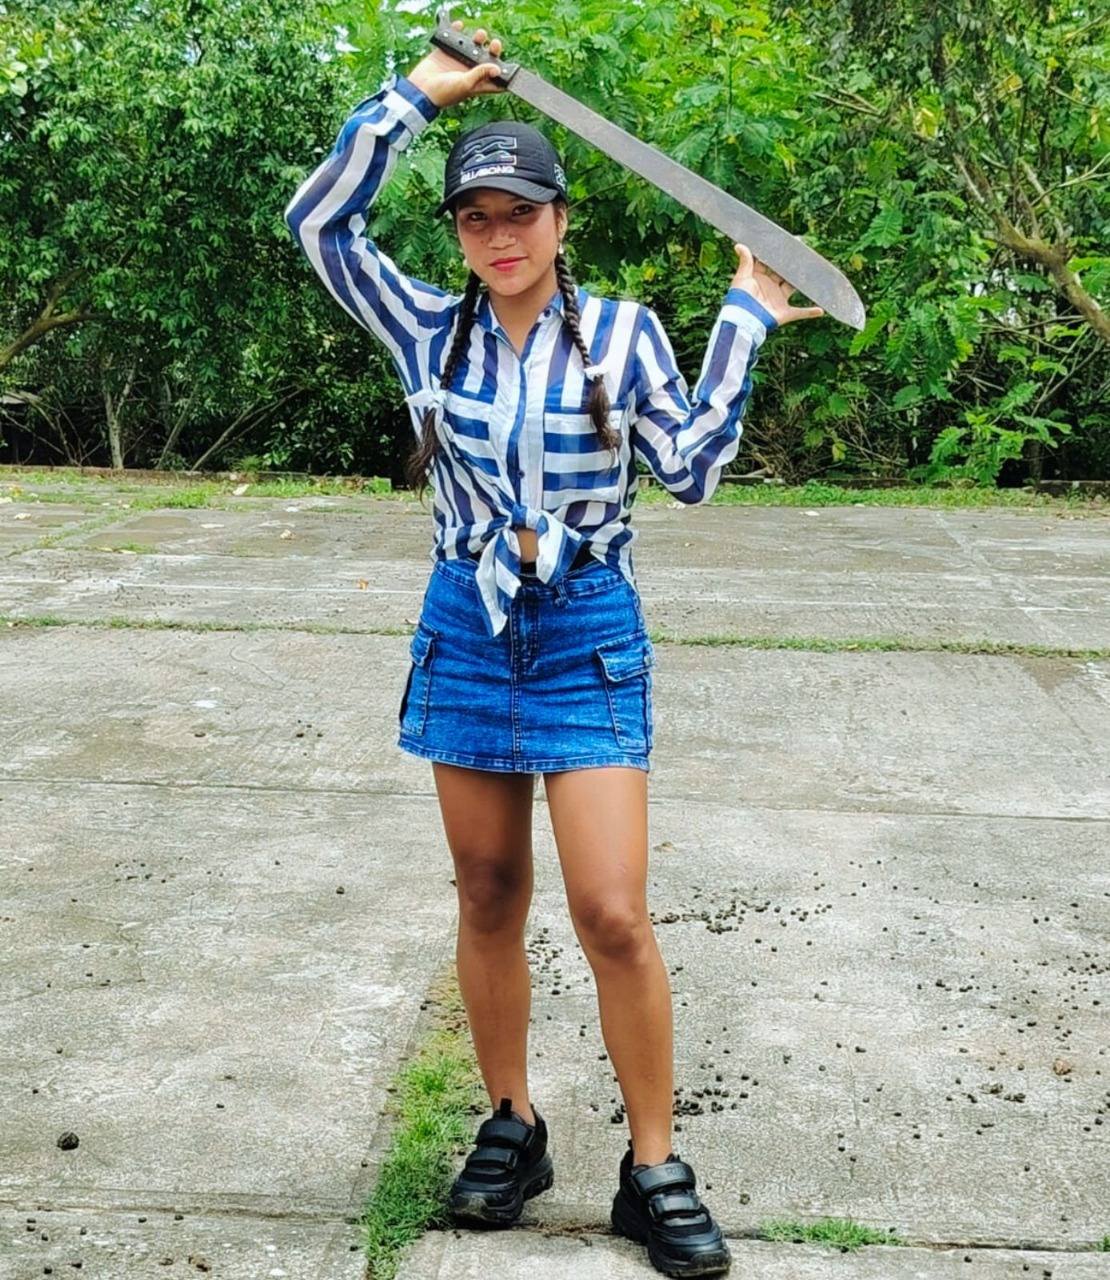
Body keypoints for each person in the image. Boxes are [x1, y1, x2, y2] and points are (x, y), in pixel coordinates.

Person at [284, 19, 822, 1279]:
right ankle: (512, 1124)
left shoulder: (626, 335)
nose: (499, 235)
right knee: (486, 890)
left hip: (585, 630)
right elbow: (319, 223)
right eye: (476, 218)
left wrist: (744, 319)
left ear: (562, 218)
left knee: (612, 910)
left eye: (520, 212)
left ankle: (654, 1166)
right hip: (467, 628)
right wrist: (418, 95)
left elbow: (690, 470)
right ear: (459, 235)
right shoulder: (427, 327)